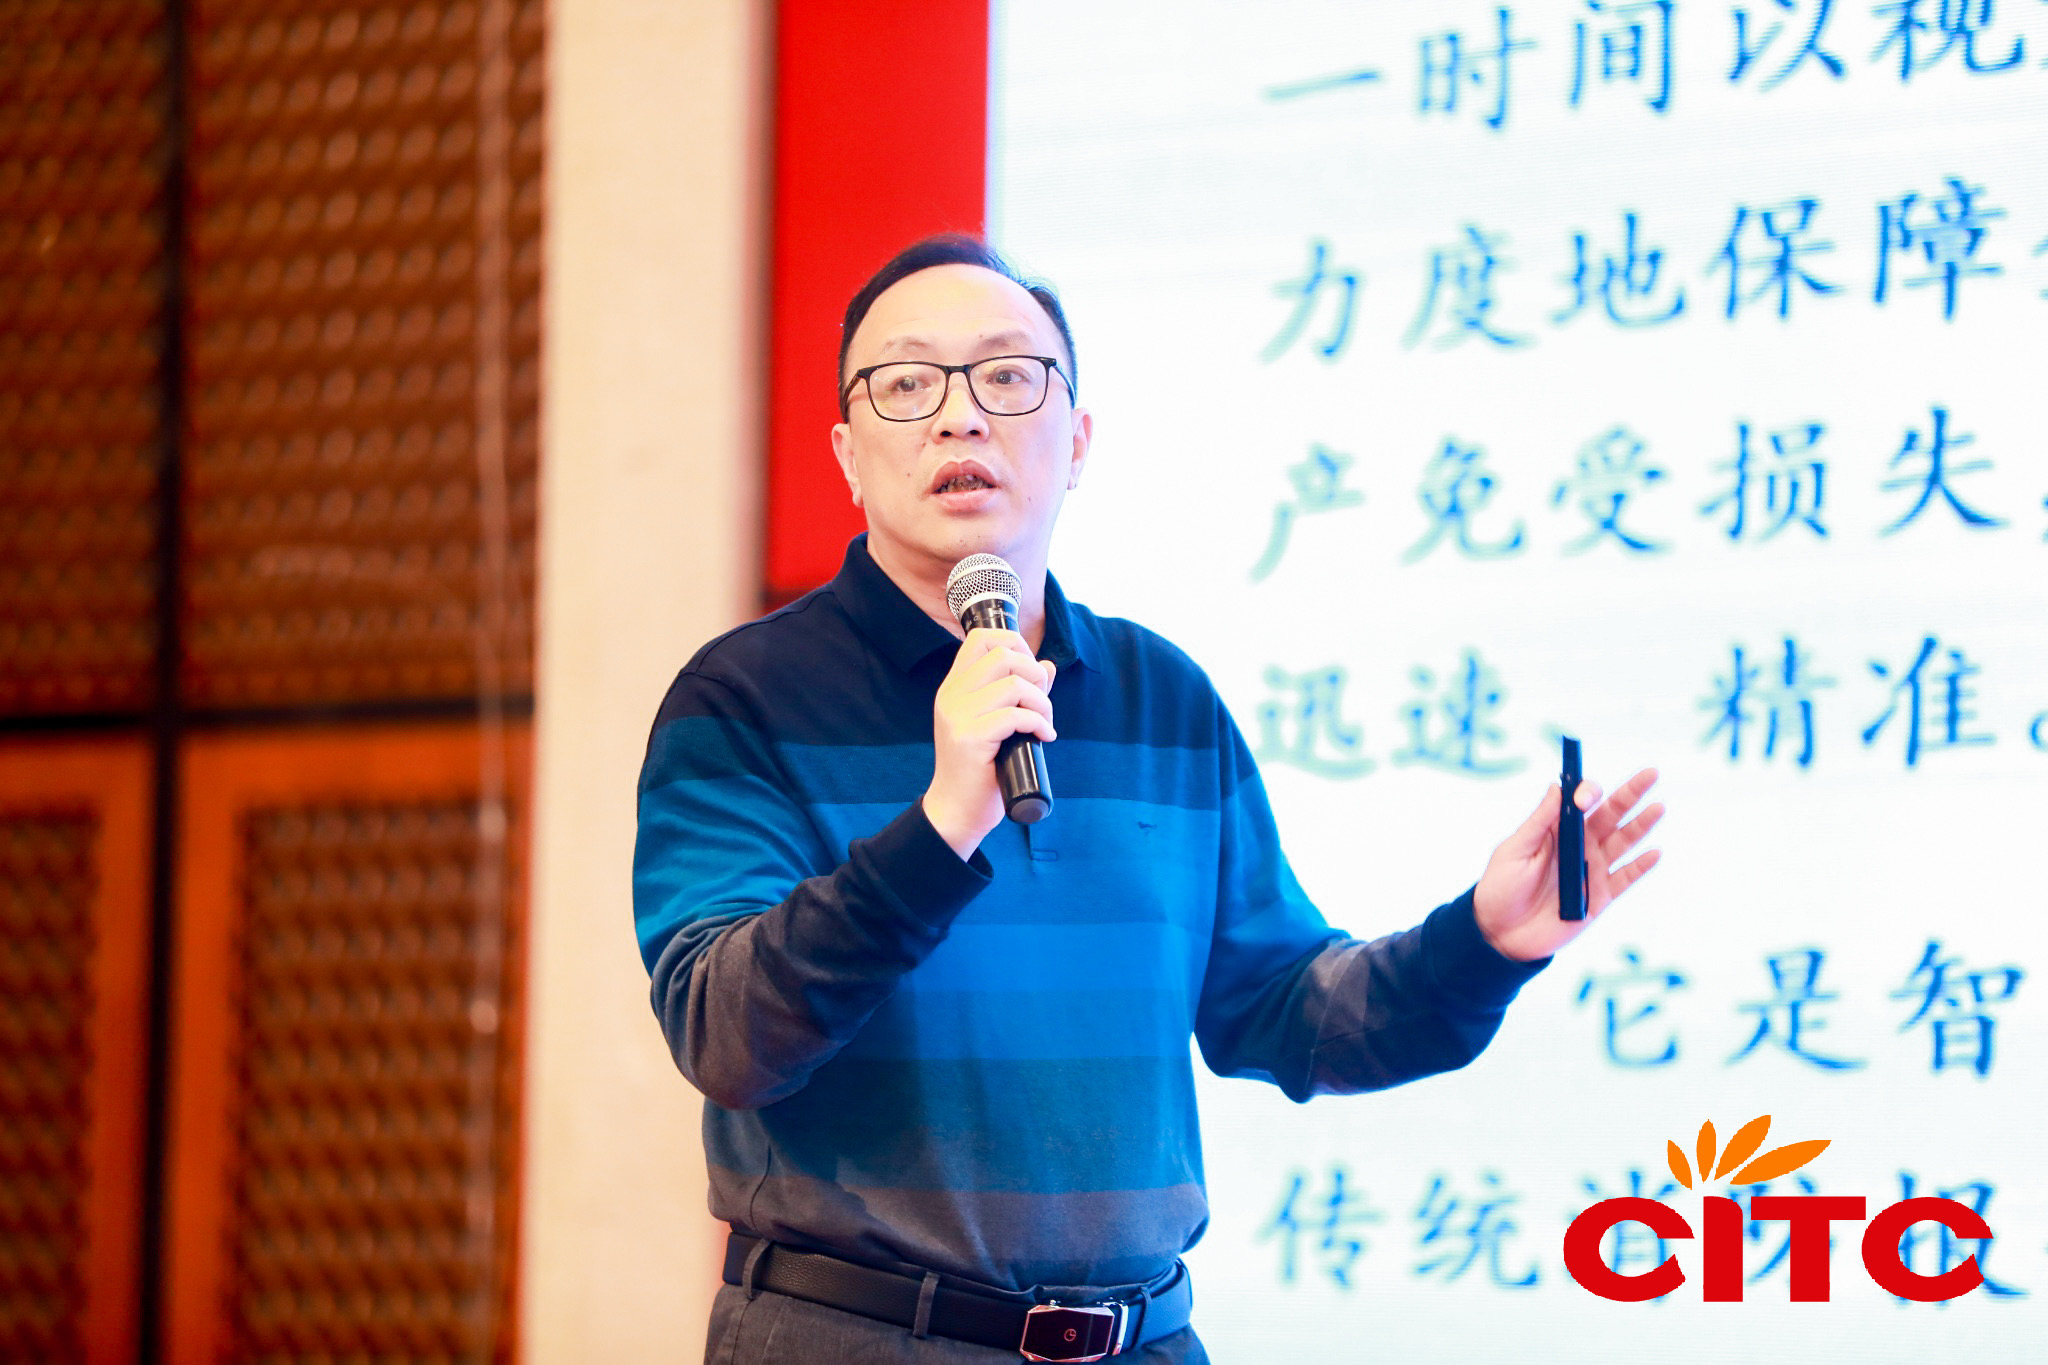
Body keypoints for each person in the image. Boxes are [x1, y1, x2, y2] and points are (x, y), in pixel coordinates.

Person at [633, 235, 1664, 1364]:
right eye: (908, 383)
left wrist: (1483, 942)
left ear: (1076, 442)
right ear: (846, 451)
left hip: (1141, 1340)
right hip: (859, 1339)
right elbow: (725, 1034)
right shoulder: (743, 699)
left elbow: (1285, 1010)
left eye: (1007, 376)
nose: (960, 417)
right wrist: (940, 826)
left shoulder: (1162, 699)